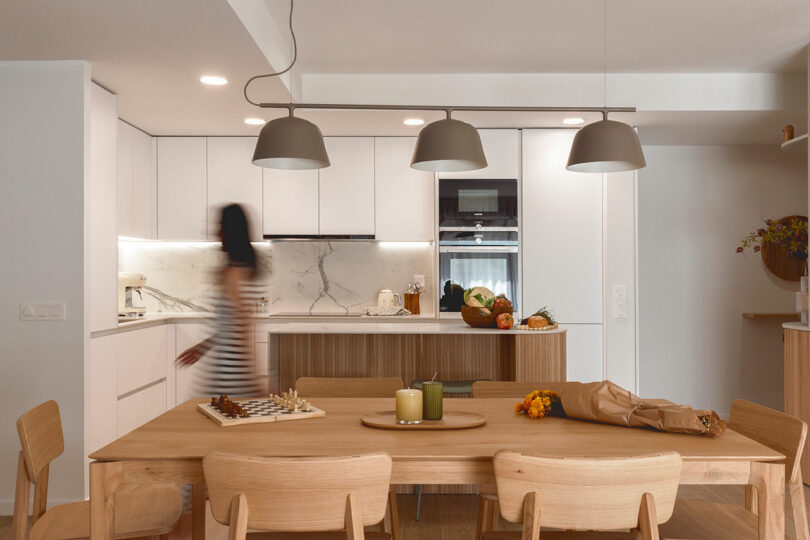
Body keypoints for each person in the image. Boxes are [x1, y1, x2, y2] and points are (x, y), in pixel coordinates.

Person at [176, 204, 263, 397]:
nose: (216, 232)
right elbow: (230, 327)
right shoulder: (236, 271)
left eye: (220, 227)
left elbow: (244, 329)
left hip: (231, 376)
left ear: (229, 232)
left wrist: (254, 379)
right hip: (225, 372)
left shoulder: (234, 274)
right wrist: (202, 348)